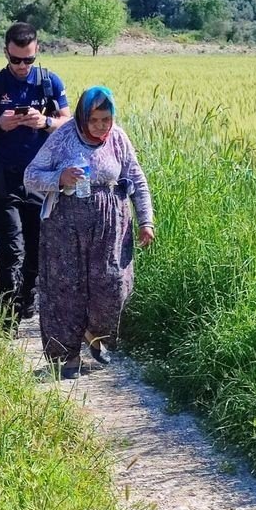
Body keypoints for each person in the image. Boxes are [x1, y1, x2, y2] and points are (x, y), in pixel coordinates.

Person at [24, 85, 155, 379]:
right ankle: (66, 356)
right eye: (93, 120)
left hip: (111, 226)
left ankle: (94, 334)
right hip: (64, 225)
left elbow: (136, 178)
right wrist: (60, 177)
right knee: (65, 290)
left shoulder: (118, 138)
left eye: (105, 119)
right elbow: (30, 176)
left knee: (113, 286)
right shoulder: (63, 137)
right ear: (82, 117)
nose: (100, 126)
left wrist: (146, 221)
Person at [0, 22, 71, 329]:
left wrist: (44, 122)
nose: (22, 66)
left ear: (37, 50)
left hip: (42, 178)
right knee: (11, 246)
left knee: (36, 246)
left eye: (28, 60)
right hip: (5, 177)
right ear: (5, 53)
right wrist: (0, 125)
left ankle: (27, 298)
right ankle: (8, 312)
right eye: (16, 60)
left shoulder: (49, 82)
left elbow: (68, 124)